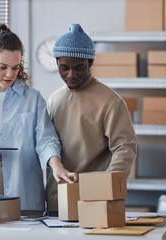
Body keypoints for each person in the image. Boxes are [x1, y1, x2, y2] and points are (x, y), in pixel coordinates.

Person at [0, 23, 76, 214]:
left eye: (15, 68)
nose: (10, 74)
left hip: (22, 187)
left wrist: (56, 166)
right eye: (3, 67)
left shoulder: (33, 99)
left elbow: (46, 140)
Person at [45, 23, 138, 212]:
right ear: (57, 64)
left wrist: (104, 187)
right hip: (56, 201)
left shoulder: (111, 101)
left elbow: (125, 148)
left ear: (90, 63)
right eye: (64, 68)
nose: (71, 74)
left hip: (95, 201)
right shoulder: (54, 100)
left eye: (79, 67)